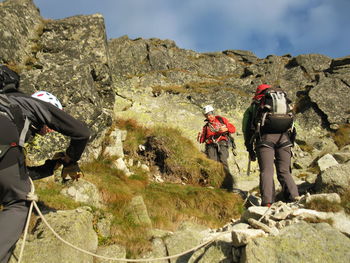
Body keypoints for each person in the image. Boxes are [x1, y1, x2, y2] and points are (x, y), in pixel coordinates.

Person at [0, 65, 90, 263]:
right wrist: (70, 159)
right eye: (50, 125)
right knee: (18, 203)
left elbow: (15, 177)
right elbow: (82, 133)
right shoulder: (32, 103)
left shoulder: (10, 108)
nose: (50, 130)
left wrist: (50, 167)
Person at [242, 84, 299, 207]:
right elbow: (292, 124)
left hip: (265, 140)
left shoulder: (254, 106)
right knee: (284, 171)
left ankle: (268, 202)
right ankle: (294, 198)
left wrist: (249, 148)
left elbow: (246, 129)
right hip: (284, 139)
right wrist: (291, 140)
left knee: (267, 171)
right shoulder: (282, 103)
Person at [198, 105, 237, 192]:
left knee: (223, 162)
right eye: (207, 115)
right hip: (210, 145)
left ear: (213, 113)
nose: (209, 116)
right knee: (213, 163)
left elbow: (233, 129)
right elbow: (202, 140)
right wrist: (200, 137)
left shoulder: (221, 120)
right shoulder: (206, 127)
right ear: (205, 116)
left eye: (211, 114)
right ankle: (215, 183)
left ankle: (228, 184)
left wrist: (226, 129)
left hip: (222, 143)